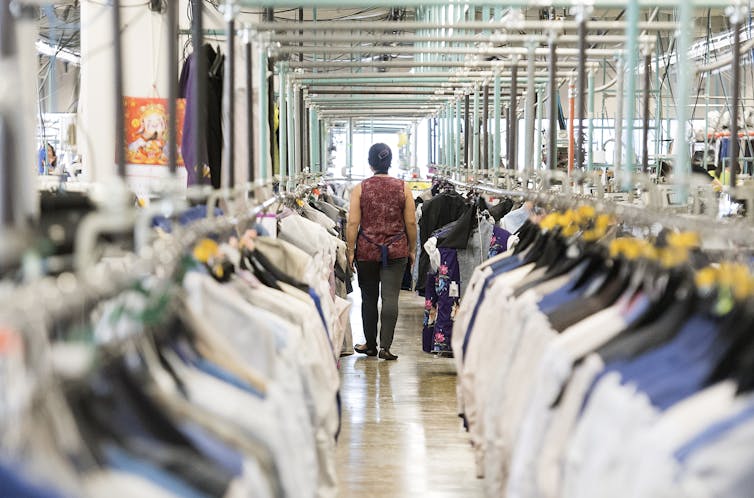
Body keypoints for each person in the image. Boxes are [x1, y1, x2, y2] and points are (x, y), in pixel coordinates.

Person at [346, 143, 417, 360]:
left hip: (367, 250)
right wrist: (412, 249)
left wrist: (350, 250)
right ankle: (385, 346)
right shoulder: (404, 188)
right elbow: (411, 222)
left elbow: (352, 223)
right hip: (396, 251)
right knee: (390, 298)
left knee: (368, 298)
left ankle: (369, 345)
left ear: (370, 163)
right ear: (390, 162)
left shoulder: (360, 188)